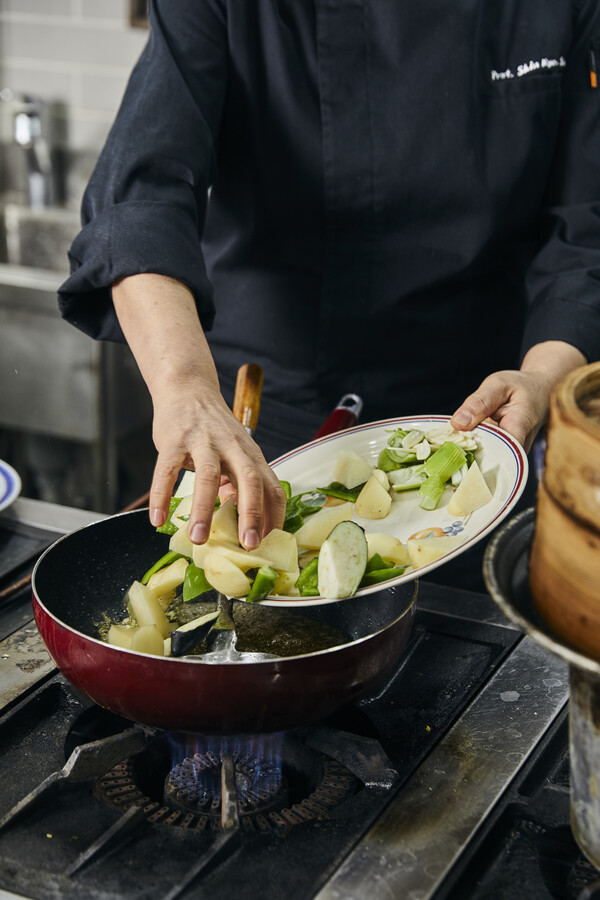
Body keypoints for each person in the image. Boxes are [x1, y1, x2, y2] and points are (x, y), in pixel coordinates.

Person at [58, 1, 599, 581]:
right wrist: (184, 386)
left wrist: (544, 378)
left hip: (479, 422)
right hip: (262, 424)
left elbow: (586, 225)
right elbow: (140, 194)